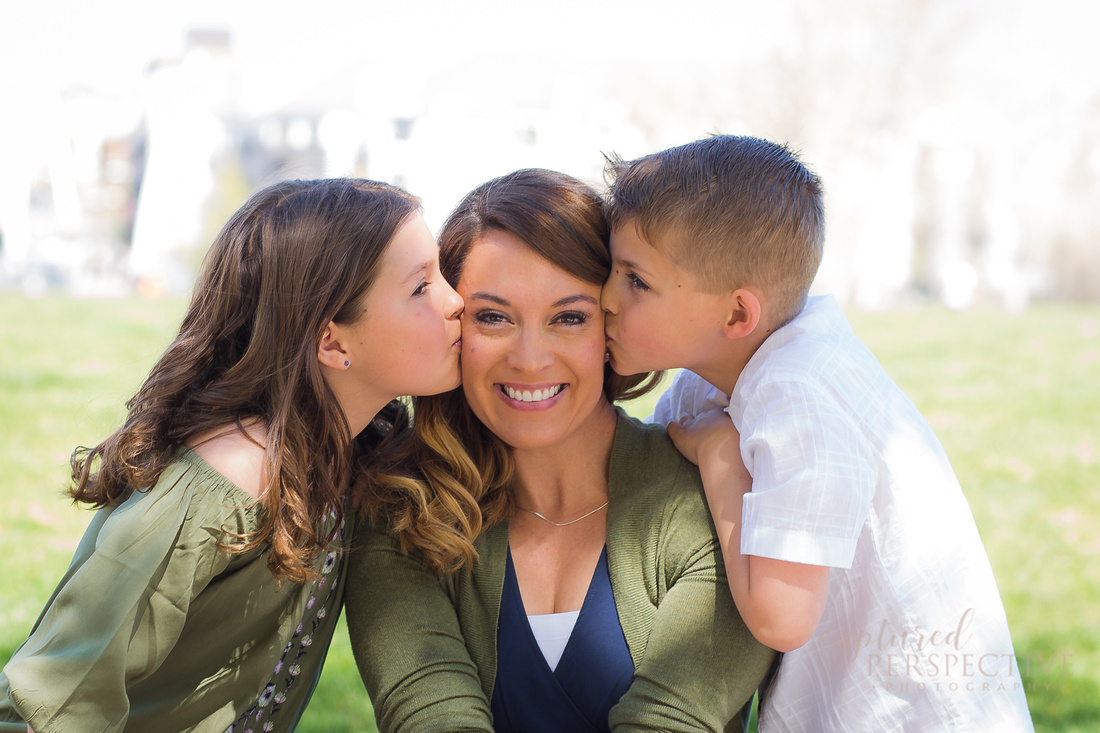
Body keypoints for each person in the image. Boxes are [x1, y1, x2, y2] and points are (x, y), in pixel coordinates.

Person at [600, 134, 1034, 731]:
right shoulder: (714, 373)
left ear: (736, 315)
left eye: (634, 281)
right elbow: (637, 461)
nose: (604, 298)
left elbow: (783, 616)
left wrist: (721, 456)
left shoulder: (801, 391)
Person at [0, 177, 464, 733]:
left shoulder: (349, 453)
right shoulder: (229, 480)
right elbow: (55, 698)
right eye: (421, 287)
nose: (456, 299)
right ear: (334, 342)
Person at [345, 168, 776, 733]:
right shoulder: (404, 509)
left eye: (569, 317)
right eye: (493, 317)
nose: (529, 359)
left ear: (612, 326)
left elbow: (672, 722)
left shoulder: (713, 503)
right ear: (452, 325)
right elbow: (429, 715)